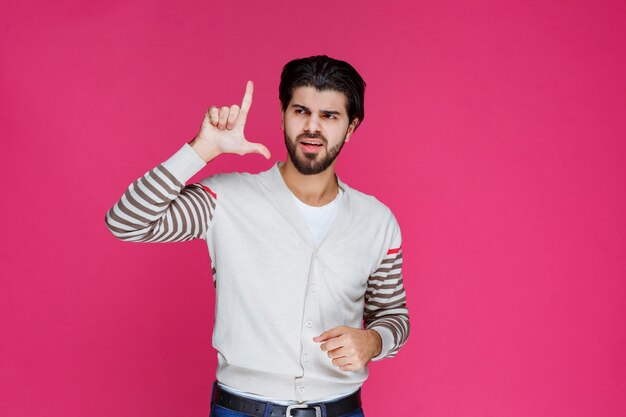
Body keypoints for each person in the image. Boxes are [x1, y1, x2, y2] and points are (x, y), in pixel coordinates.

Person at [105, 55, 410, 417]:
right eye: (301, 111)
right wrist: (202, 150)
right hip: (242, 410)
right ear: (283, 113)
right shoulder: (226, 200)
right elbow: (126, 221)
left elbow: (393, 314)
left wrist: (373, 341)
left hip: (342, 409)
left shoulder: (376, 221)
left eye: (329, 116)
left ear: (351, 126)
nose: (312, 127)